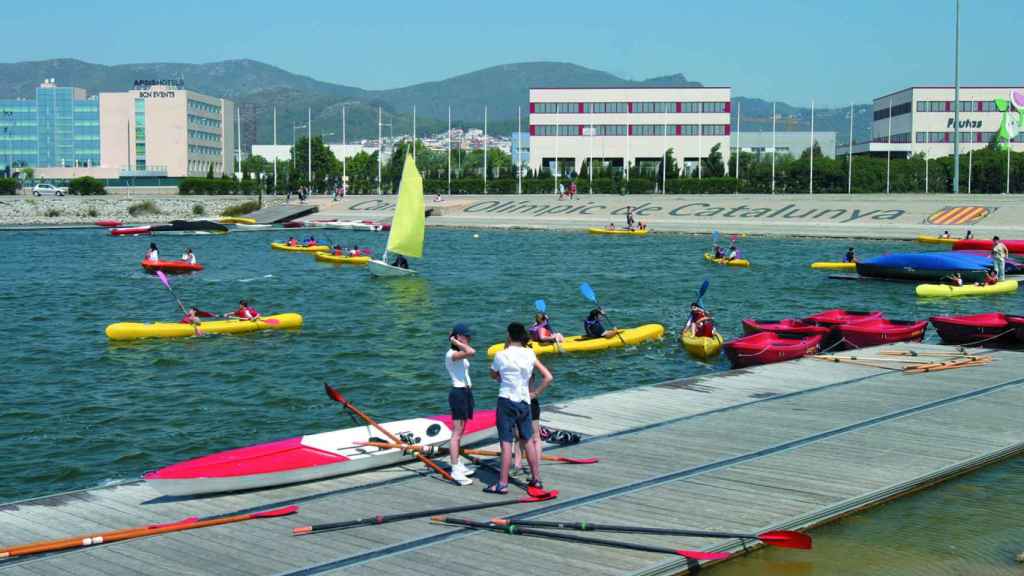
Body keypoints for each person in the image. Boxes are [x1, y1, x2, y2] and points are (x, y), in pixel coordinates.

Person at [487, 322, 552, 494]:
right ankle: (536, 479)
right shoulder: (530, 353)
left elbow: (493, 375)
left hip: (506, 400)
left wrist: (498, 374)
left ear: (508, 336)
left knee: (506, 442)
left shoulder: (501, 355)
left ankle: (502, 483)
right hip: (525, 401)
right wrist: (535, 393)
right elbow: (548, 377)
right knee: (528, 439)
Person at [445, 323, 477, 486]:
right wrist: (456, 342)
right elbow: (472, 352)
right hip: (457, 393)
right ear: (457, 337)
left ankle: (457, 463)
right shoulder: (452, 354)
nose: (469, 338)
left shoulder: (459, 352)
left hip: (465, 392)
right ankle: (455, 468)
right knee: (456, 432)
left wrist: (459, 342)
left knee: (462, 429)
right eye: (466, 336)